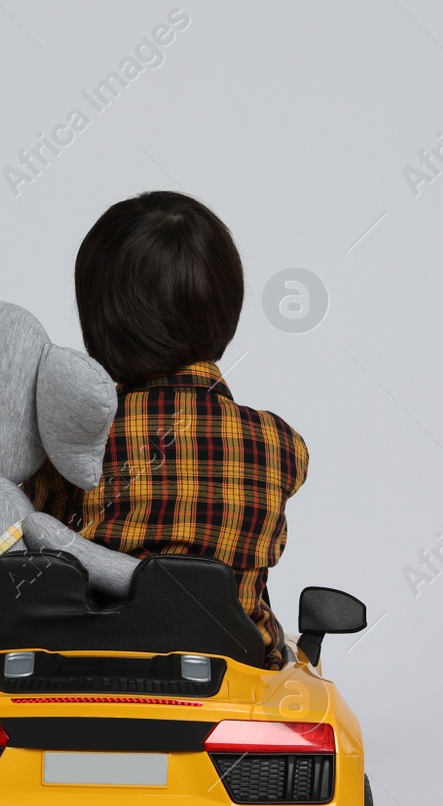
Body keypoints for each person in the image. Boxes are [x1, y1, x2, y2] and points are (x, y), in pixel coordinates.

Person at [24, 191, 308, 668]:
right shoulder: (282, 446)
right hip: (233, 667)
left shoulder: (71, 439)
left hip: (86, 669)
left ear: (99, 321)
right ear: (227, 306)